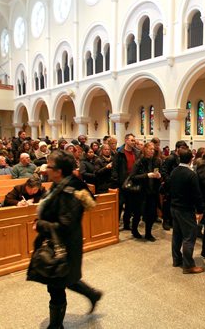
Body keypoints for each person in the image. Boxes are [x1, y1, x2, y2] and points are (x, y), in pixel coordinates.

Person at [26, 150, 102, 328]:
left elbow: (66, 225)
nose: (46, 169)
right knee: (65, 279)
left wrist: (41, 225)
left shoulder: (70, 192)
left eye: (49, 166)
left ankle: (56, 326)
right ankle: (92, 295)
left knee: (56, 285)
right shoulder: (59, 184)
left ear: (59, 170)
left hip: (64, 246)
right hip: (60, 243)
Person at [168, 148, 204, 274]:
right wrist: (200, 210)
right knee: (189, 236)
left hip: (174, 207)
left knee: (177, 235)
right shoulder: (191, 174)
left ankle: (176, 260)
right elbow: (197, 194)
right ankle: (188, 265)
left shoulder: (174, 171)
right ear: (191, 159)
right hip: (185, 209)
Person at [129, 142, 162, 241]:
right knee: (138, 213)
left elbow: (159, 173)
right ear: (145, 150)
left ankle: (148, 233)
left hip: (152, 192)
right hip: (141, 192)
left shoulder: (156, 161)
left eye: (153, 149)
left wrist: (159, 176)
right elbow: (133, 177)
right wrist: (147, 175)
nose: (152, 151)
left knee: (151, 214)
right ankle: (134, 230)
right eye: (150, 149)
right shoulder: (139, 162)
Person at [111, 133, 138, 230]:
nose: (133, 142)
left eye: (134, 140)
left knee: (130, 205)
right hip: (121, 183)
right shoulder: (119, 153)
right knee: (119, 204)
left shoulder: (137, 152)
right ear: (126, 140)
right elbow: (115, 169)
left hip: (132, 182)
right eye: (132, 140)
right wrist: (117, 182)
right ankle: (115, 224)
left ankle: (127, 224)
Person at [160, 140, 189, 230]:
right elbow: (163, 170)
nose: (184, 150)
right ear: (177, 148)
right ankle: (165, 221)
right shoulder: (171, 158)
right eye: (182, 148)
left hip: (177, 185)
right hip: (169, 185)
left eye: (185, 148)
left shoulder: (181, 157)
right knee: (167, 203)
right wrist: (168, 180)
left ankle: (172, 220)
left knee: (173, 203)